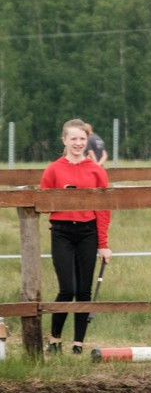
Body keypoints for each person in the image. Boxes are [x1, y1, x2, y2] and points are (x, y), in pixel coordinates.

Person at [40, 119, 112, 354]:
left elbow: (104, 208)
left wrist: (103, 244)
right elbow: (42, 201)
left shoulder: (96, 169)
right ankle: (55, 339)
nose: (78, 143)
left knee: (83, 289)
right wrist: (64, 197)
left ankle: (78, 343)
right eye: (74, 139)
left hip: (87, 231)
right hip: (62, 230)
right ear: (65, 140)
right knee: (67, 288)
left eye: (82, 139)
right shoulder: (53, 168)